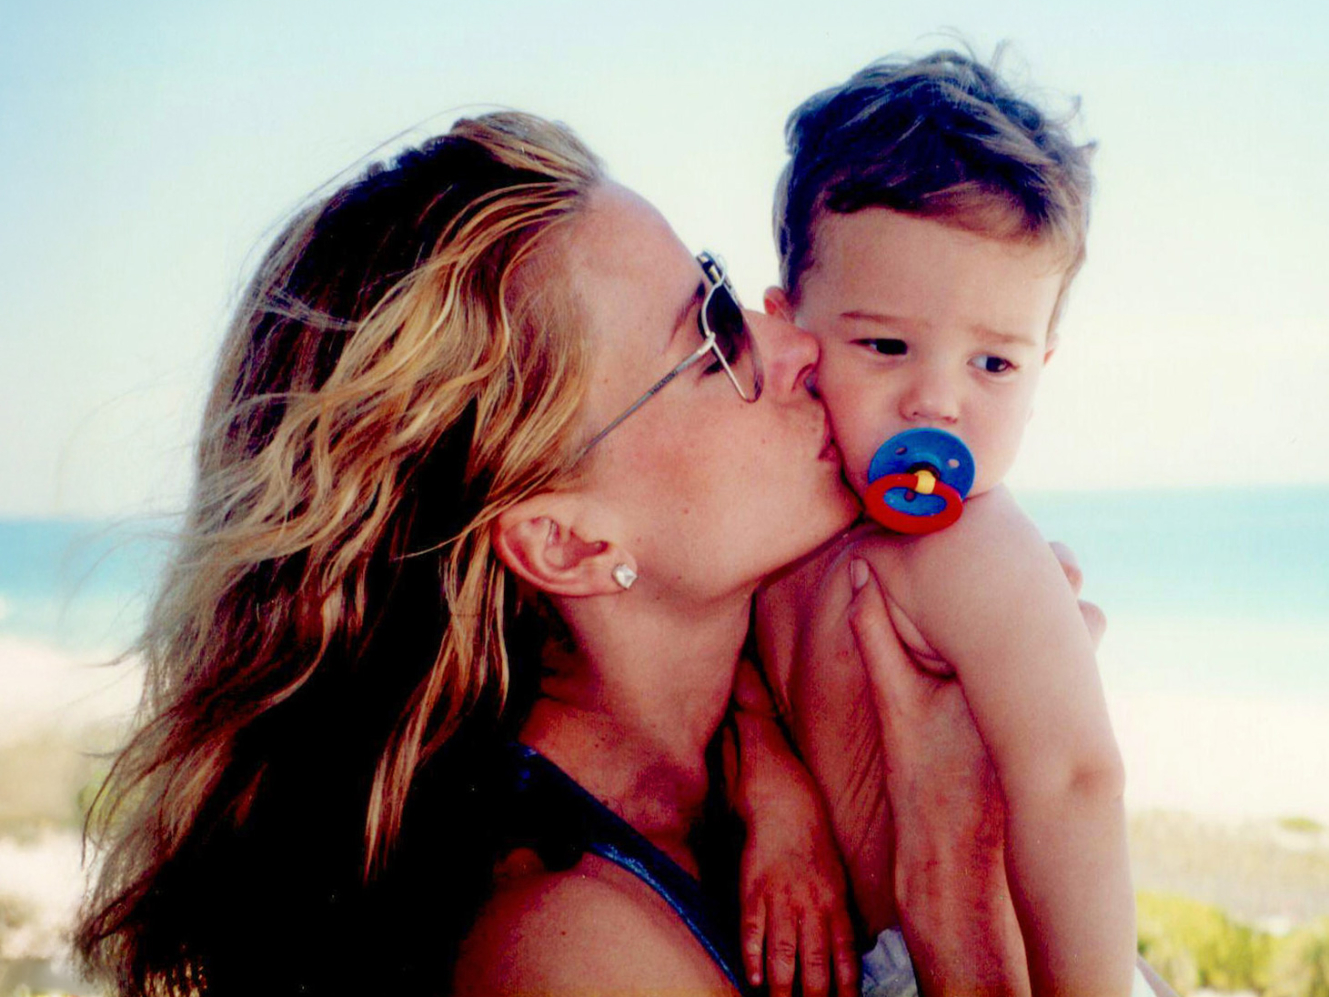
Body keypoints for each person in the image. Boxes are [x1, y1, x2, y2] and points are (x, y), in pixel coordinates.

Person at [78, 108, 1044, 997]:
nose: (793, 342)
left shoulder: (747, 746)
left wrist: (775, 767)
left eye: (718, 286)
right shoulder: (565, 946)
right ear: (566, 540)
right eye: (711, 342)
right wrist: (949, 875)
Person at [752, 51, 1138, 996]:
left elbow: (1072, 781)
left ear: (1040, 367)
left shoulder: (973, 545)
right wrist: (777, 801)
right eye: (885, 345)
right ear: (792, 331)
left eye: (993, 365)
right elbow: (734, 687)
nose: (936, 401)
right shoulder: (766, 531)